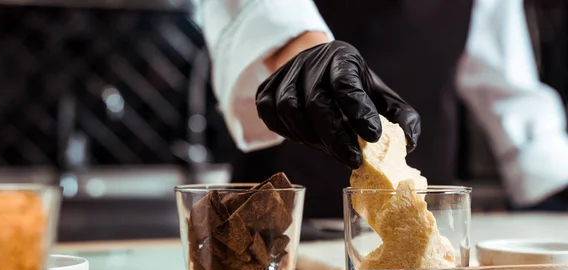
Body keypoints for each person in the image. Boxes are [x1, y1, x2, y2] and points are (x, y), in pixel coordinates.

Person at [192, 0, 568, 217]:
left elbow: (503, 78)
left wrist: (553, 176)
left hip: (427, 205)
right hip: (284, 215)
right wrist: (300, 49)